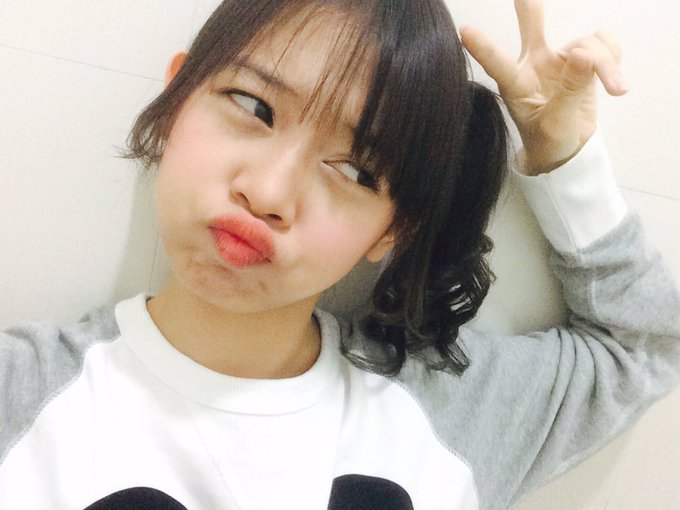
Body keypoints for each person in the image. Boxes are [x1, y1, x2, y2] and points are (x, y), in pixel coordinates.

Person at [0, 0, 678, 509]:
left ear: (393, 229)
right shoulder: (20, 391)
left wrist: (564, 157)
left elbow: (646, 345)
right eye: (253, 106)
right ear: (177, 99)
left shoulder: (447, 414)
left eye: (356, 171)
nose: (268, 192)